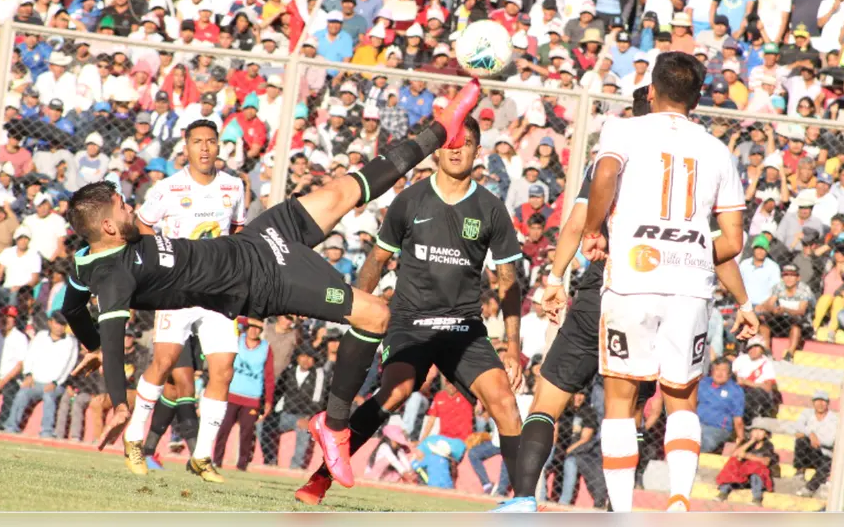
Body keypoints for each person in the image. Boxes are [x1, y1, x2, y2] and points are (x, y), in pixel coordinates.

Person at [62, 80, 483, 490]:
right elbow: (114, 340)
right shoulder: (114, 277)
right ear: (107, 226)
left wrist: (89, 342)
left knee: (346, 189)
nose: (130, 206)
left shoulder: (84, 261)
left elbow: (74, 308)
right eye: (122, 206)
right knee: (376, 315)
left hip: (258, 237)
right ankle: (334, 425)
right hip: (264, 280)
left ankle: (441, 129)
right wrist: (119, 399)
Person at [496, 84, 757, 512]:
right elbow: (715, 242)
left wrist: (556, 276)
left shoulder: (619, 151)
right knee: (652, 402)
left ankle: (526, 499)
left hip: (610, 288)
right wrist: (744, 302)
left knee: (551, 397)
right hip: (676, 289)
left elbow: (578, 221)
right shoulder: (700, 156)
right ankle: (661, 501)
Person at [295, 116, 525, 505]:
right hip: (410, 323)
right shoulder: (410, 199)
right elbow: (376, 260)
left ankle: (524, 500)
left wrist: (513, 347)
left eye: (464, 142)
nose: (455, 149)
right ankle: (320, 478)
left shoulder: (491, 208)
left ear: (477, 150)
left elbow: (508, 281)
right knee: (396, 391)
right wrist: (356, 308)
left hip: (463, 329)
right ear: (437, 149)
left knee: (504, 400)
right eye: (449, 142)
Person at [580, 52, 750, 512]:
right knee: (682, 397)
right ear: (697, 99)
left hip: (634, 276)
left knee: (621, 395)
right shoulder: (718, 150)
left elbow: (607, 173)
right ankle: (678, 500)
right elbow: (732, 240)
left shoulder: (624, 129)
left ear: (650, 91)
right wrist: (689, 250)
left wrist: (594, 229)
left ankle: (621, 511)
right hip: (690, 285)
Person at [128, 121, 248, 481]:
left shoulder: (234, 185)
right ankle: (134, 439)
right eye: (198, 142)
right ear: (187, 147)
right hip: (177, 290)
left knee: (223, 370)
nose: (206, 148)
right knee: (163, 363)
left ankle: (202, 457)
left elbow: (239, 229)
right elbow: (143, 223)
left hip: (218, 292)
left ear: (218, 147)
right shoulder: (168, 187)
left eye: (211, 141)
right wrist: (163, 260)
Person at [212, 318, 274, 472]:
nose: (254, 330)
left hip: (252, 398)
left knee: (247, 433)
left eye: (258, 328)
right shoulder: (237, 340)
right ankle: (216, 461)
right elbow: (233, 318)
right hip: (231, 393)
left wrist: (268, 401)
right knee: (223, 429)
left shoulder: (266, 348)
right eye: (251, 327)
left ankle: (242, 465)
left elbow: (269, 376)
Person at [3, 312, 78, 437]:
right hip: (34, 380)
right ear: (50, 322)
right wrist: (28, 375)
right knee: (22, 394)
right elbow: (30, 356)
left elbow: (68, 366)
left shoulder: (71, 342)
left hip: (55, 384)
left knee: (49, 398)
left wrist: (55, 382)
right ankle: (11, 427)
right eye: (57, 323)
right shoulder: (40, 336)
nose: (59, 327)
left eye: (63, 324)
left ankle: (46, 431)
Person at [715, 420, 778, 504]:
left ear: (766, 434)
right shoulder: (747, 443)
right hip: (740, 476)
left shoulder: (767, 445)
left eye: (761, 430)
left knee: (757, 467)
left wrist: (747, 456)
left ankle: (757, 498)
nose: (757, 433)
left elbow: (765, 461)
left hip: (755, 479)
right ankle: (723, 492)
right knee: (733, 462)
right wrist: (751, 441)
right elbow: (735, 455)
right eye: (755, 430)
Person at [792, 390, 838, 497]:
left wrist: (810, 435)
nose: (820, 404)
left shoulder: (833, 419)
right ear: (813, 402)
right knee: (801, 441)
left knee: (828, 463)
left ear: (828, 403)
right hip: (809, 451)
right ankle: (800, 472)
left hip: (823, 454)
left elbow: (830, 441)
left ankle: (809, 488)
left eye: (823, 401)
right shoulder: (807, 413)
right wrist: (811, 434)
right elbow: (797, 427)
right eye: (817, 401)